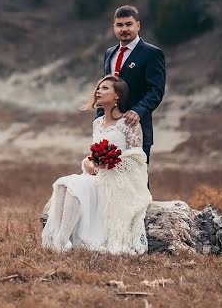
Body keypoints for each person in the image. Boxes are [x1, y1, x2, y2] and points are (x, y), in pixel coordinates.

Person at [41, 75, 152, 254]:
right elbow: (93, 155)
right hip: (96, 176)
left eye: (105, 88)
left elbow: (137, 158)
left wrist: (112, 162)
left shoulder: (129, 123)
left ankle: (61, 242)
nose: (98, 91)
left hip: (118, 181)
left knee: (74, 185)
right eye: (98, 88)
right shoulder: (98, 123)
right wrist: (88, 162)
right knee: (63, 183)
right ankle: (60, 239)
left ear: (117, 95)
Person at [100, 5, 165, 165]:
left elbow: (156, 90)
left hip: (137, 128)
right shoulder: (110, 53)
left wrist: (138, 111)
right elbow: (106, 88)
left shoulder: (152, 53)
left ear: (138, 25)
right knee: (107, 180)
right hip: (110, 130)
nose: (124, 29)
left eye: (129, 24)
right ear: (114, 27)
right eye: (119, 25)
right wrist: (100, 119)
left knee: (138, 183)